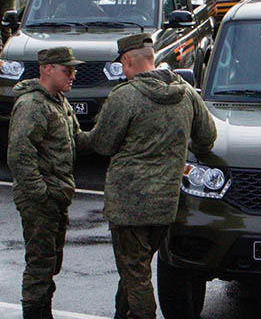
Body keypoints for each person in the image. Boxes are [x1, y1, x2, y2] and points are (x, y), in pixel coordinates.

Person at [79, 34, 217, 319]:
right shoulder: (186, 93)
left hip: (129, 205)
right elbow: (207, 138)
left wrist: (75, 136)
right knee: (135, 268)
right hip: (166, 203)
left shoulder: (126, 96)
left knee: (135, 273)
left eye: (122, 64)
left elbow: (102, 144)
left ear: (128, 61)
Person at [7, 46, 84, 319]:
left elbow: (77, 139)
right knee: (40, 264)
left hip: (56, 196)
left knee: (51, 261)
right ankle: (35, 313)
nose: (73, 75)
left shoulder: (58, 101)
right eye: (67, 70)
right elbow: (19, 154)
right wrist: (40, 194)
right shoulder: (32, 105)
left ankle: (43, 311)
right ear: (47, 69)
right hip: (41, 199)